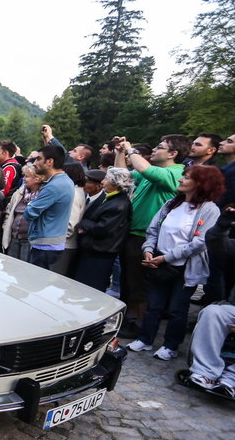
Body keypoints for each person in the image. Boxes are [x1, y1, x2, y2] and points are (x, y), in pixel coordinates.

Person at [127, 165, 224, 361]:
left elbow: (200, 243)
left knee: (177, 309)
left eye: (186, 178)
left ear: (201, 183)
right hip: (158, 262)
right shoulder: (171, 204)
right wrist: (148, 250)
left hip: (183, 268)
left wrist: (167, 257)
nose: (180, 180)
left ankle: (170, 345)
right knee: (153, 305)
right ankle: (145, 339)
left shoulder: (209, 210)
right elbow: (153, 229)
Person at [115, 136, 186, 337]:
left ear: (173, 154)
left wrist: (130, 149)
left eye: (160, 147)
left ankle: (138, 325)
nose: (154, 149)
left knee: (141, 285)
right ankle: (127, 319)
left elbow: (145, 169)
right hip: (132, 234)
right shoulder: (151, 172)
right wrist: (120, 152)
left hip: (147, 238)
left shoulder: (176, 172)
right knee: (129, 281)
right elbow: (122, 175)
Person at [187, 207, 235, 395]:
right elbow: (220, 246)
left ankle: (234, 379)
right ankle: (206, 372)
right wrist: (221, 226)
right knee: (212, 313)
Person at [73, 167, 133, 292]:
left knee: (89, 290)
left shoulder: (119, 204)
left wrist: (84, 224)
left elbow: (103, 228)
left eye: (106, 179)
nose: (103, 182)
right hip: (93, 250)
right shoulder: (112, 199)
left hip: (100, 253)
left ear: (116, 183)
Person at [24, 144, 74, 270]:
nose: (34, 163)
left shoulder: (54, 186)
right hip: (50, 243)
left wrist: (30, 203)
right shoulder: (63, 181)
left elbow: (29, 213)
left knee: (36, 285)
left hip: (45, 246)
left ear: (50, 161)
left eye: (38, 159)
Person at [2, 164, 45, 262]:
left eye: (27, 176)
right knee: (11, 266)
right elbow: (9, 212)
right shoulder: (19, 193)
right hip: (14, 238)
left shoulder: (43, 196)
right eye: (24, 175)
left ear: (37, 179)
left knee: (24, 269)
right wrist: (6, 226)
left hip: (29, 241)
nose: (24, 179)